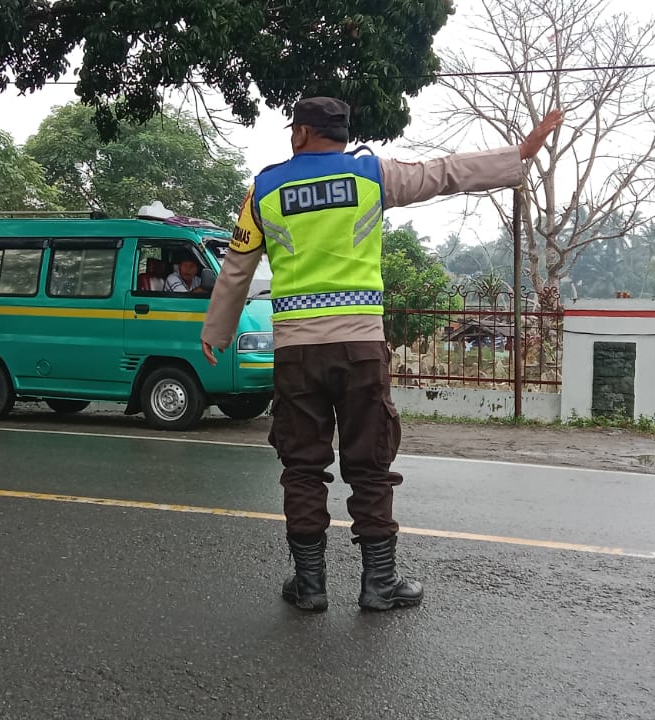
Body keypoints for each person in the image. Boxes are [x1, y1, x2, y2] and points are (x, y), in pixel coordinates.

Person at [201, 97, 562, 612]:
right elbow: (445, 173)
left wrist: (216, 331)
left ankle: (310, 585)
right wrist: (518, 155)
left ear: (301, 133)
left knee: (302, 467)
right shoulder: (372, 175)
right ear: (343, 136)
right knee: (369, 464)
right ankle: (379, 584)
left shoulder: (264, 187)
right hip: (360, 348)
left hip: (297, 352)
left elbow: (238, 264)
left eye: (293, 130)